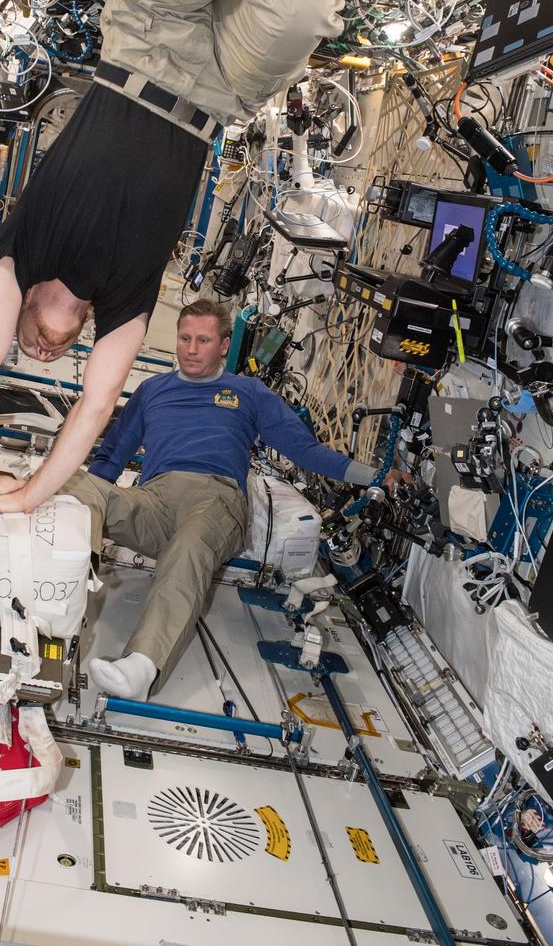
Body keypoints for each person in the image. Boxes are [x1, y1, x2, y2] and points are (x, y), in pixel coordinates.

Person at [0, 0, 344, 515]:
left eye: (28, 348)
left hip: (140, 44)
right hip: (215, 93)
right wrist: (31, 498)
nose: (40, 354)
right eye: (50, 359)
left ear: (17, 316)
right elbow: (98, 402)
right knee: (305, 12)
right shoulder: (124, 312)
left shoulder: (15, 259)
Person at [63, 299, 410, 700]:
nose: (191, 349)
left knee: (190, 547)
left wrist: (377, 476)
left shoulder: (247, 392)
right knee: (75, 486)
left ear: (224, 346)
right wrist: (90, 502)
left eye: (203, 340)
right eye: (185, 338)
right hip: (154, 500)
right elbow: (111, 458)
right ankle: (64, 589)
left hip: (216, 500)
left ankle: (141, 664)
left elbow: (306, 451)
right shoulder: (151, 390)